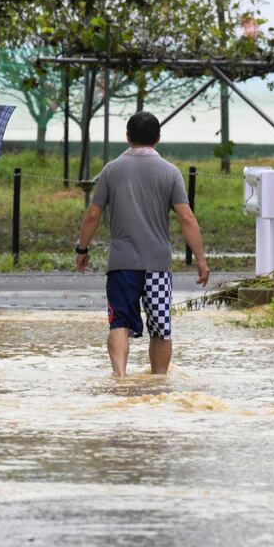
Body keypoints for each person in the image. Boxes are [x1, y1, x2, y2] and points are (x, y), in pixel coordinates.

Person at [75, 112, 209, 377]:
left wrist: (82, 249)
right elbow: (186, 217)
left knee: (119, 323)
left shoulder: (111, 170)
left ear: (127, 136)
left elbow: (93, 214)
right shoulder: (171, 172)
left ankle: (121, 379)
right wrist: (201, 259)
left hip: (121, 265)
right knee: (160, 328)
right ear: (158, 138)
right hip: (157, 266)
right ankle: (159, 383)